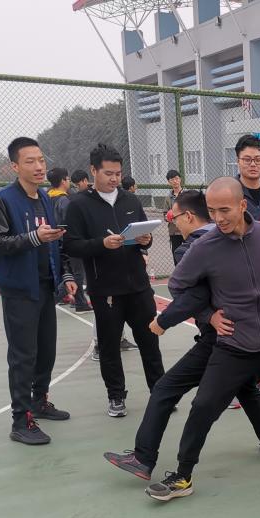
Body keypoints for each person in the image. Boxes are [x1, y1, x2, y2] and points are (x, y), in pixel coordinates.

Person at [146, 177, 260, 502]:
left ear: (242, 205)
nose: (218, 218)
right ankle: (183, 476)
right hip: (234, 347)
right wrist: (209, 315)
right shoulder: (203, 248)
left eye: (224, 210)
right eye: (212, 211)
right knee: (202, 407)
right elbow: (178, 286)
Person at [103, 189, 260, 481]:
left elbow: (196, 295)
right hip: (245, 333)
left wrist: (166, 320)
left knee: (166, 389)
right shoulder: (237, 236)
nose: (174, 223)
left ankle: (143, 457)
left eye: (174, 217)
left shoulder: (192, 248)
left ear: (188, 216)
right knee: (246, 388)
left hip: (219, 338)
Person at [63, 143, 164, 418]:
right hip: (105, 289)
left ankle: (160, 393)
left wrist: (146, 239)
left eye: (118, 173)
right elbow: (71, 245)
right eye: (108, 173)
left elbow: (145, 235)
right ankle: (116, 396)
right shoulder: (78, 205)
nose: (114, 179)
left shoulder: (131, 200)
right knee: (110, 347)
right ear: (93, 171)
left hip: (138, 286)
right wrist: (102, 244)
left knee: (150, 341)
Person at [0, 137, 76, 445]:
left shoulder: (46, 198)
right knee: (23, 355)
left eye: (41, 160)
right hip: (19, 289)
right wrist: (34, 237)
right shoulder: (2, 199)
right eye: (30, 161)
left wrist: (65, 274)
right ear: (15, 166)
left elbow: (55, 241)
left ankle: (39, 401)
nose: (39, 166)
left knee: (45, 351)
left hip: (45, 286)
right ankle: (20, 419)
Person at [47, 167, 90, 314]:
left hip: (53, 241)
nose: (69, 182)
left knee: (67, 272)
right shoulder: (64, 200)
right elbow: (70, 222)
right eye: (67, 179)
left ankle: (79, 301)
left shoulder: (47, 197)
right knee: (76, 273)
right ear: (63, 181)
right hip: (66, 241)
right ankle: (74, 302)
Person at [166, 169, 184, 252]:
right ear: (169, 182)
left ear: (180, 179)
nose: (175, 181)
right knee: (176, 253)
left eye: (176, 178)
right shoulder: (168, 197)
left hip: (186, 230)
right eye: (172, 179)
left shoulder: (187, 194)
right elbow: (165, 214)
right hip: (174, 231)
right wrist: (168, 217)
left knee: (189, 254)